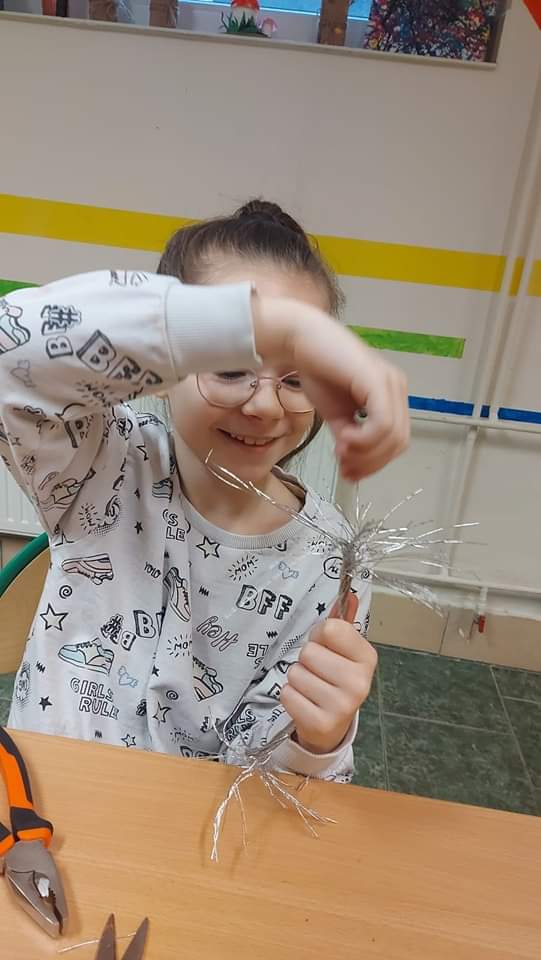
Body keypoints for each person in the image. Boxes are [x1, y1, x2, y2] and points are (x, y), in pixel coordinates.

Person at [0, 200, 408, 781]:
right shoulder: (101, 463)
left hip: (191, 828)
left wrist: (319, 740)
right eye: (230, 365)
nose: (265, 404)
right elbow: (10, 352)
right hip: (44, 797)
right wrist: (261, 326)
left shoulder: (329, 558)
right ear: (164, 373)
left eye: (297, 377)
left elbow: (272, 785)